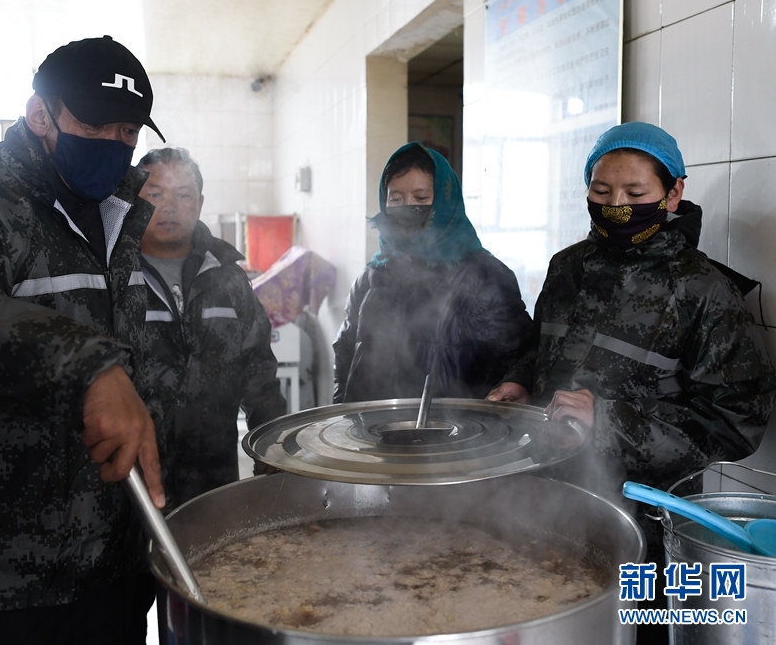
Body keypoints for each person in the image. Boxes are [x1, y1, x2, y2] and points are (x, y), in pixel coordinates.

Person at [0, 36, 167, 645]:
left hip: (106, 569)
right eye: (95, 124)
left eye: (128, 131)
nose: (114, 143)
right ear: (40, 114)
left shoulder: (119, 214)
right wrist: (89, 367)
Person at [487, 122, 776, 644]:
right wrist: (521, 383)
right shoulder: (566, 268)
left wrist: (609, 420)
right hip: (547, 501)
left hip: (645, 521)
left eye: (635, 194)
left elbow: (737, 422)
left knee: (629, 632)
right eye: (601, 192)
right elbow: (539, 351)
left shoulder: (703, 290)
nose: (616, 206)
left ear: (674, 193)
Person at [134, 147, 286, 643]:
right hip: (127, 487)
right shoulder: (112, 272)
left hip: (211, 479)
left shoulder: (227, 276)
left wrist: (273, 449)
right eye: (155, 194)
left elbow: (258, 368)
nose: (169, 207)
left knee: (206, 607)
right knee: (124, 609)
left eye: (183, 195)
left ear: (201, 202)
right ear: (132, 198)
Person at [333, 142, 532, 403]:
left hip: (452, 428)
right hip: (369, 426)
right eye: (396, 199)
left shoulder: (484, 277)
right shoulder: (372, 276)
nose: (407, 208)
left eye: (421, 199)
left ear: (445, 202)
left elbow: (517, 362)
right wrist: (342, 416)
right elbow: (345, 353)